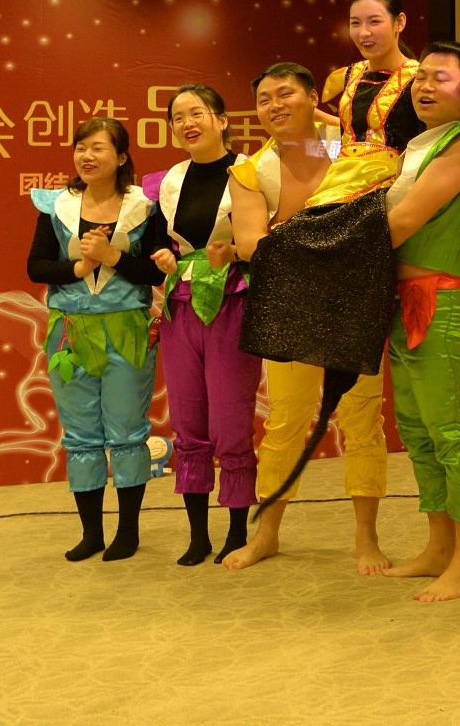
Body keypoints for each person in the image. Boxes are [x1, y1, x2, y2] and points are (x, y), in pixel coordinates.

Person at [222, 62, 398, 574]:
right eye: (264, 99)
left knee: (362, 420)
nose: (274, 106)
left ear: (312, 97)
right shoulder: (250, 171)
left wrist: (290, 234)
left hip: (353, 300)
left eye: (286, 94)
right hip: (290, 305)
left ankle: (366, 537)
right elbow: (251, 246)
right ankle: (266, 534)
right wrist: (330, 241)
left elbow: (382, 200)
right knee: (284, 422)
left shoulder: (352, 149)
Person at [381, 41, 460, 601]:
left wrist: (317, 248)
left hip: (443, 301)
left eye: (441, 78)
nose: (424, 86)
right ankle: (438, 547)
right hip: (403, 298)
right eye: (420, 76)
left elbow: (403, 220)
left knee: (450, 431)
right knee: (417, 431)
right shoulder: (420, 144)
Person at [26, 117, 167, 562]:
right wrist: (79, 268)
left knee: (127, 431)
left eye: (98, 148)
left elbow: (154, 271)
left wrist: (112, 256)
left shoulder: (145, 206)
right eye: (80, 147)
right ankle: (91, 534)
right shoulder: (56, 205)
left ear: (121, 157)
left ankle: (128, 532)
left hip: (126, 329)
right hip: (70, 332)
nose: (87, 156)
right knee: (81, 434)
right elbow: (36, 266)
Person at [142, 85, 260, 566]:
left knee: (231, 421)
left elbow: (264, 242)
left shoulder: (249, 173)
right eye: (177, 118)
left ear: (221, 119)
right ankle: (197, 535)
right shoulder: (168, 182)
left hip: (232, 301)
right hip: (179, 308)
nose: (187, 124)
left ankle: (237, 532)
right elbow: (154, 247)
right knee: (188, 422)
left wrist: (233, 254)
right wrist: (162, 258)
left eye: (197, 113)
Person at [318, 0, 423, 151]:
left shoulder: (420, 79)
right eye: (355, 23)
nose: (363, 33)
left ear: (400, 22)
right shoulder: (349, 75)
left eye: (374, 22)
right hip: (344, 167)